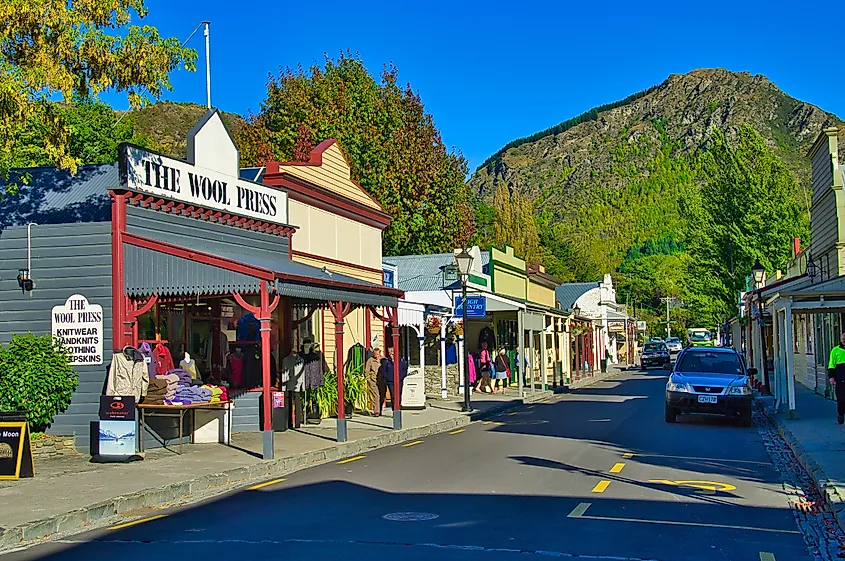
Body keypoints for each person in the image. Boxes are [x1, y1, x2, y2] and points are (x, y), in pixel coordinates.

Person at [828, 331, 845, 424]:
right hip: (840, 378)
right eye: (843, 339)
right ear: (841, 339)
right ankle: (841, 414)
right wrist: (831, 377)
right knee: (841, 399)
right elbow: (832, 364)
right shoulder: (835, 350)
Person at [364, 348, 382, 416]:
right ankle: (376, 411)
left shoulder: (383, 359)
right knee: (376, 396)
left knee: (382, 396)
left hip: (382, 380)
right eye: (375, 354)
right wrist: (369, 380)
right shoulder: (370, 360)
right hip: (373, 381)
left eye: (377, 354)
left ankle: (380, 410)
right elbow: (366, 371)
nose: (376, 355)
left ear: (379, 353)